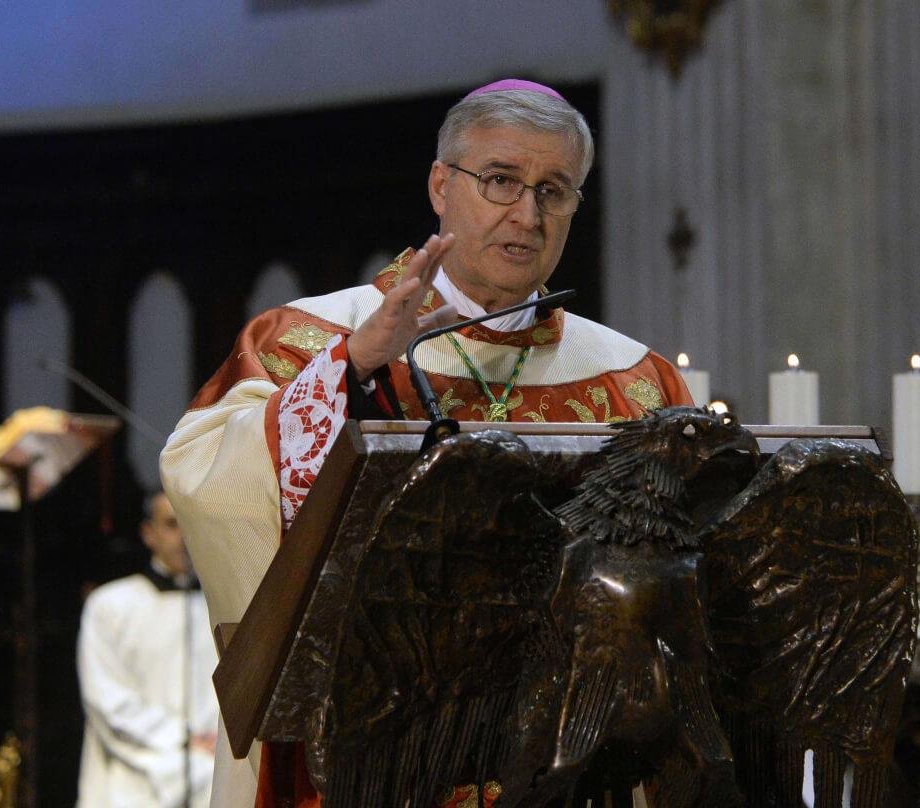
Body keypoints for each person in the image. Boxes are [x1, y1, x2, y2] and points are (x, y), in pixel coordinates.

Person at [161, 80, 694, 808]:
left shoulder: (634, 379)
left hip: (561, 758)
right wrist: (351, 368)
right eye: (500, 180)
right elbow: (203, 478)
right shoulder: (309, 337)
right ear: (441, 185)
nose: (527, 215)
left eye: (553, 191)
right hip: (369, 755)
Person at [76, 491, 219, 808]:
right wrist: (181, 739)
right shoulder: (111, 605)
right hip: (133, 775)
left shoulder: (225, 605)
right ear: (148, 532)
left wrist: (217, 741)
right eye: (172, 524)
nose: (183, 537)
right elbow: (106, 697)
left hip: (212, 771)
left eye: (192, 524)